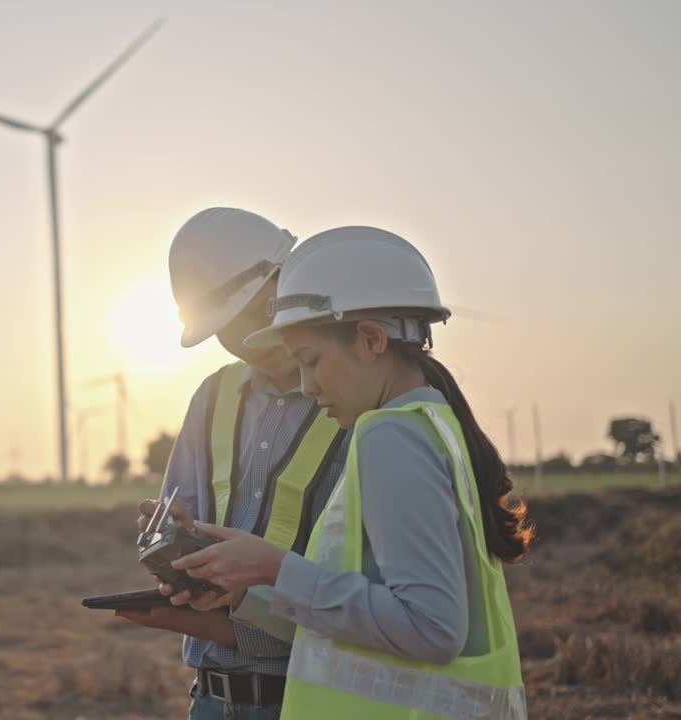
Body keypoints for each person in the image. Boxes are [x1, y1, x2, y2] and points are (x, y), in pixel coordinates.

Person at [167, 226, 533, 719]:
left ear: (370, 339)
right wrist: (251, 596)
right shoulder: (433, 420)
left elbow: (431, 627)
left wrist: (274, 567)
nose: (307, 386)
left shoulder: (389, 434)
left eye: (311, 361)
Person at [115, 207, 349, 719]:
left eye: (253, 321)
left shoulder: (359, 399)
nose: (246, 343)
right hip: (213, 700)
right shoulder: (213, 396)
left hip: (316, 696)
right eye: (225, 329)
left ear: (286, 287)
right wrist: (176, 536)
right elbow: (188, 516)